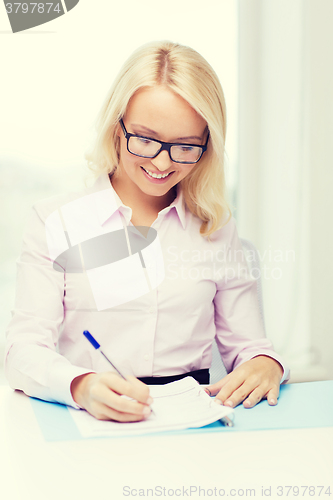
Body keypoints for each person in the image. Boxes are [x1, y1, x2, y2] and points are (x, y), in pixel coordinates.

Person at [5, 40, 289, 423]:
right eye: (145, 139)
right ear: (116, 127)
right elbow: (24, 350)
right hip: (89, 420)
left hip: (196, 422)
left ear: (207, 146)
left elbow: (251, 348)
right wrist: (81, 386)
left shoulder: (217, 230)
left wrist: (267, 364)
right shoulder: (55, 222)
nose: (161, 162)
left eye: (185, 146)